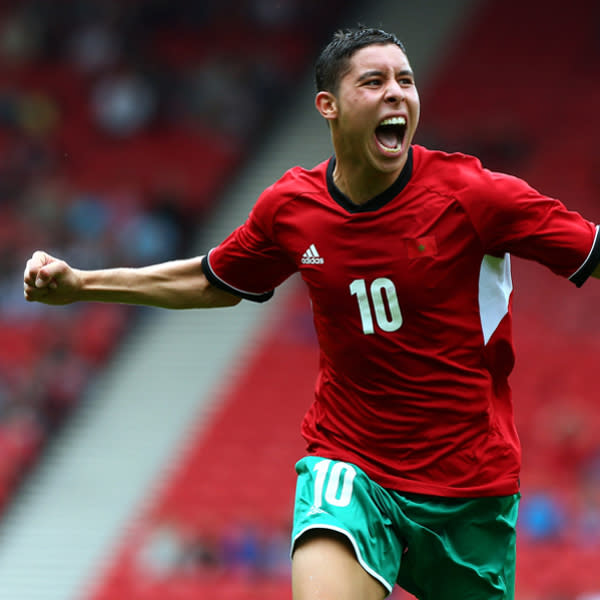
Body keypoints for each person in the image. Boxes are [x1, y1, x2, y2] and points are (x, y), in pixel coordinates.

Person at [23, 26, 600, 600]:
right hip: (352, 464)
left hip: (470, 483)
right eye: (373, 81)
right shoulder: (292, 208)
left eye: (406, 80)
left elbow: (591, 251)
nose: (396, 93)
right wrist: (81, 283)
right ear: (327, 105)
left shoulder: (476, 195)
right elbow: (212, 278)